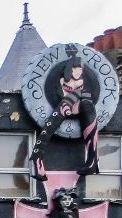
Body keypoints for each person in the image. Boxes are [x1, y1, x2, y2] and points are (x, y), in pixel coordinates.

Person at [29, 47, 100, 181]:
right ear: (70, 69)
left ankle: (92, 160)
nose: (78, 71)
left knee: (83, 99)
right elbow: (62, 95)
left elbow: (79, 98)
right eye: (75, 68)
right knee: (71, 101)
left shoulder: (82, 83)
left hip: (77, 106)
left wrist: (73, 97)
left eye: (80, 69)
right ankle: (38, 157)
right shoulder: (63, 81)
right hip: (65, 107)